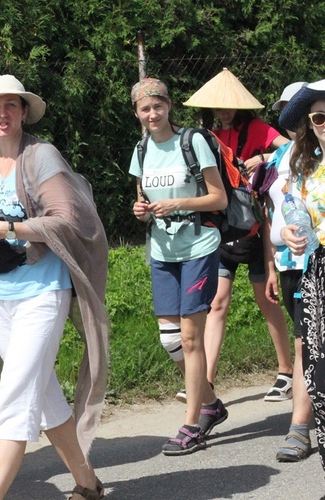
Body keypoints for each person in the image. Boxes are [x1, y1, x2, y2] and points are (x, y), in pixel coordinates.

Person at [0, 74, 110, 500]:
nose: (1, 113)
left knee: (15, 397)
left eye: (10, 105)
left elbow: (68, 220)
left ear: (23, 112)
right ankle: (87, 483)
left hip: (43, 293)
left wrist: (8, 227)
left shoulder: (41, 156)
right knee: (42, 396)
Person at [129, 78, 228, 456]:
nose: (152, 114)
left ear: (169, 106)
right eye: (144, 109)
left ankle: (192, 425)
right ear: (137, 114)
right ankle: (212, 404)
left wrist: (179, 203)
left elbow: (217, 197)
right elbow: (142, 203)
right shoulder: (140, 149)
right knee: (170, 341)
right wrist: (140, 211)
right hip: (162, 252)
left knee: (189, 338)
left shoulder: (193, 141)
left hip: (199, 247)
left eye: (158, 106)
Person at [184, 68, 293, 402]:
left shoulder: (259, 129)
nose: (224, 111)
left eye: (230, 106)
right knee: (216, 302)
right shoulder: (205, 135)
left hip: (259, 229)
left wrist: (263, 157)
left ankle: (286, 371)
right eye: (219, 106)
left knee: (266, 300)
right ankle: (206, 381)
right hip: (222, 229)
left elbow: (291, 147)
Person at [263, 81, 315, 462]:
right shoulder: (284, 161)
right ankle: (299, 427)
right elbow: (275, 219)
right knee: (304, 344)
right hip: (298, 267)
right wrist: (273, 254)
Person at [278, 79, 325, 473]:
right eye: (321, 118)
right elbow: (290, 222)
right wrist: (289, 234)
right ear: (311, 124)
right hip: (318, 273)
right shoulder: (305, 169)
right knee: (316, 364)